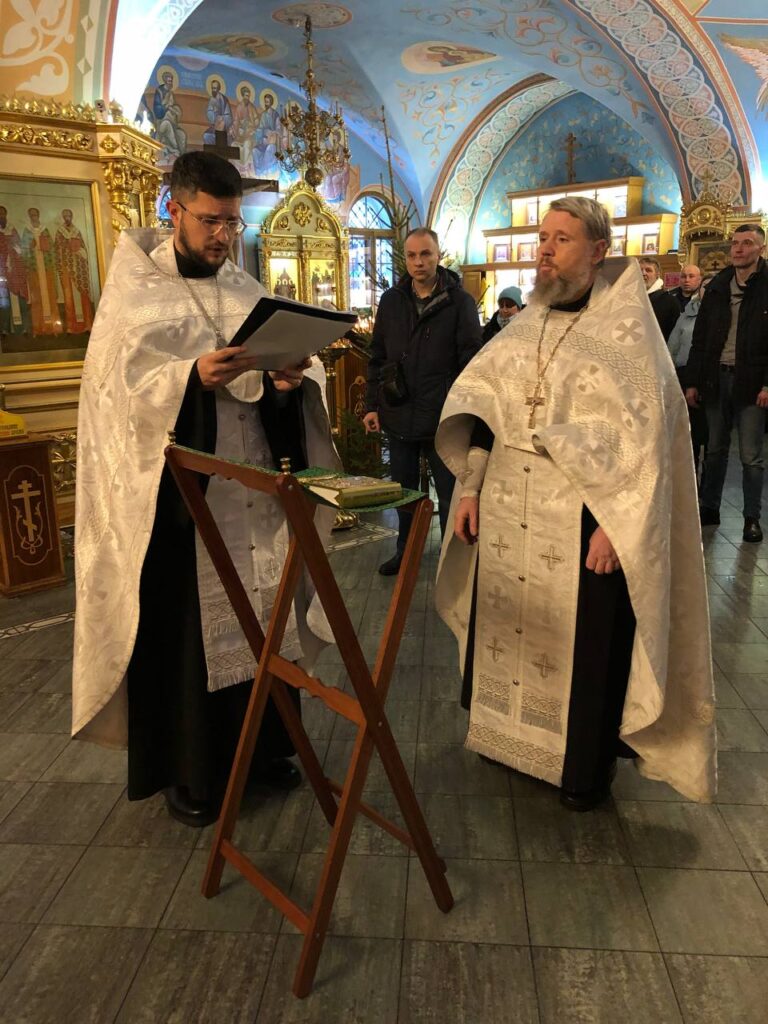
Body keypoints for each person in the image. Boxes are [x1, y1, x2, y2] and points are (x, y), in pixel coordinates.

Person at [72, 152, 339, 827]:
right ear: (175, 209)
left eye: (232, 223)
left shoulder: (244, 288)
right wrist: (190, 377)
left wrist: (285, 382)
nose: (223, 236)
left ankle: (267, 750)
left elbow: (273, 387)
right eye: (211, 221)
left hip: (255, 493)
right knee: (191, 636)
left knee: (265, 620)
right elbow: (116, 400)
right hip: (179, 506)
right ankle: (193, 772)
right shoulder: (134, 292)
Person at [435, 197, 716, 810]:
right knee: (506, 626)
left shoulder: (628, 336)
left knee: (586, 647)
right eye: (543, 238)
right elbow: (484, 416)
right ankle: (505, 739)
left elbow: (647, 447)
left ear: (598, 250)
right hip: (506, 510)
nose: (545, 250)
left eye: (562, 240)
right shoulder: (524, 324)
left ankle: (580, 772)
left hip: (582, 520)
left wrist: (617, 528)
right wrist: (471, 488)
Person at [363, 227, 483, 575]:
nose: (418, 262)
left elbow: (471, 362)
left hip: (443, 418)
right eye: (412, 255)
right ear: (405, 258)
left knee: (448, 494)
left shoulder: (459, 303)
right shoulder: (392, 301)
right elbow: (378, 356)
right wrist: (371, 404)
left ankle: (450, 561)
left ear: (438, 255)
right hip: (398, 411)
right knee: (404, 493)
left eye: (425, 254)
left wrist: (464, 411)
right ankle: (405, 552)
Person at [685, 223, 768, 543]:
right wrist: (693, 381)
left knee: (751, 456)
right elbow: (701, 338)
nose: (738, 249)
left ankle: (751, 517)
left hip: (752, 381)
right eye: (735, 243)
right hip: (716, 378)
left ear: (761, 248)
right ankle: (709, 508)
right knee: (715, 450)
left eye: (747, 243)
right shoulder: (719, 284)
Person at [668, 275, 712, 483]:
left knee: (711, 436)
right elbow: (673, 345)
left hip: (712, 378)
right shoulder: (687, 313)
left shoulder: (726, 313)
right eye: (705, 287)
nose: (708, 291)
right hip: (686, 375)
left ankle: (708, 483)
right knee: (689, 433)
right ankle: (690, 479)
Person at [21, 208, 62, 336]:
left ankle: (54, 327)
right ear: (29, 217)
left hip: (46, 267)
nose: (33, 217)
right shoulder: (27, 231)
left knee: (50, 295)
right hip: (35, 269)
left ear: (38, 216)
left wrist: (45, 246)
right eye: (31, 215)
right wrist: (30, 246)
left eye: (35, 215)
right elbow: (24, 249)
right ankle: (38, 328)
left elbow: (51, 247)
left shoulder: (45, 230)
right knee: (37, 297)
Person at [54, 209, 94, 333]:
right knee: (68, 297)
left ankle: (87, 324)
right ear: (63, 217)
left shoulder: (77, 231)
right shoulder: (60, 232)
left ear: (72, 217)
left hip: (80, 268)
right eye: (65, 216)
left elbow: (83, 249)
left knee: (83, 294)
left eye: (69, 216)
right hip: (66, 267)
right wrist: (67, 248)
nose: (67, 218)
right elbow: (57, 249)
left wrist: (79, 251)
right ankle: (71, 326)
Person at [0, 206, 29, 337]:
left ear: (6, 215)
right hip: (1, 271)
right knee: (4, 300)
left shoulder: (12, 230)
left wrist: (14, 252)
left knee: (19, 296)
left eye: (3, 214)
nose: (1, 217)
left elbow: (19, 249)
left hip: (15, 269)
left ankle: (22, 328)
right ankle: (5, 329)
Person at [639, 256, 679, 340]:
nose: (643, 273)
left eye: (648, 270)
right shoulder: (631, 298)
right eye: (640, 270)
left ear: (657, 274)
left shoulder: (669, 301)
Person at [203, 79, 233, 145]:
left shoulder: (224, 100)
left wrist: (222, 118)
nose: (213, 90)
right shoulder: (211, 100)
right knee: (206, 136)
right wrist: (213, 114)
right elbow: (209, 113)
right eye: (212, 88)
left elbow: (228, 116)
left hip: (224, 128)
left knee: (228, 138)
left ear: (218, 89)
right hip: (214, 127)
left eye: (215, 88)